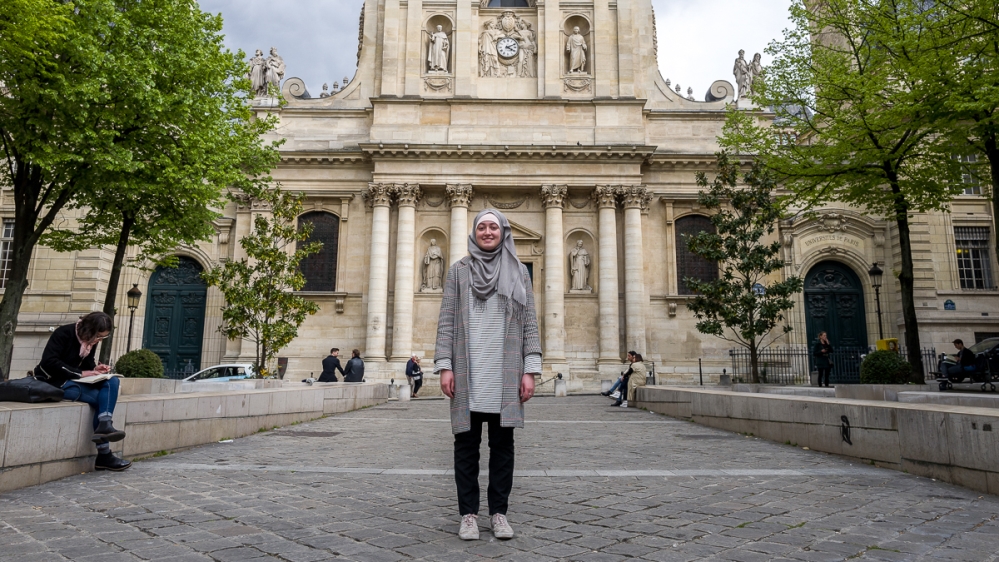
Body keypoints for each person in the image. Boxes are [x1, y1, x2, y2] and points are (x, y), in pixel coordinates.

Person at [435, 209, 542, 541]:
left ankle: (499, 514)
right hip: (469, 371)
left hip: (504, 373)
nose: (487, 232)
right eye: (481, 226)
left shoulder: (519, 272)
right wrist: (445, 365)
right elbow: (447, 320)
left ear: (503, 232)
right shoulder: (458, 271)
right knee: (466, 447)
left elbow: (530, 323)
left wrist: (530, 369)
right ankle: (468, 514)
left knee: (502, 447)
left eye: (493, 226)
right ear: (474, 232)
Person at [34, 312, 131, 471]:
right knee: (101, 400)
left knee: (112, 381)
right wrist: (81, 373)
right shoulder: (63, 333)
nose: (99, 340)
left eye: (103, 337)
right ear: (89, 330)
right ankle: (104, 453)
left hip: (77, 379)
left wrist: (96, 369)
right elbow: (49, 362)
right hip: (54, 381)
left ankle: (105, 423)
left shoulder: (90, 340)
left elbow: (87, 363)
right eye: (98, 336)